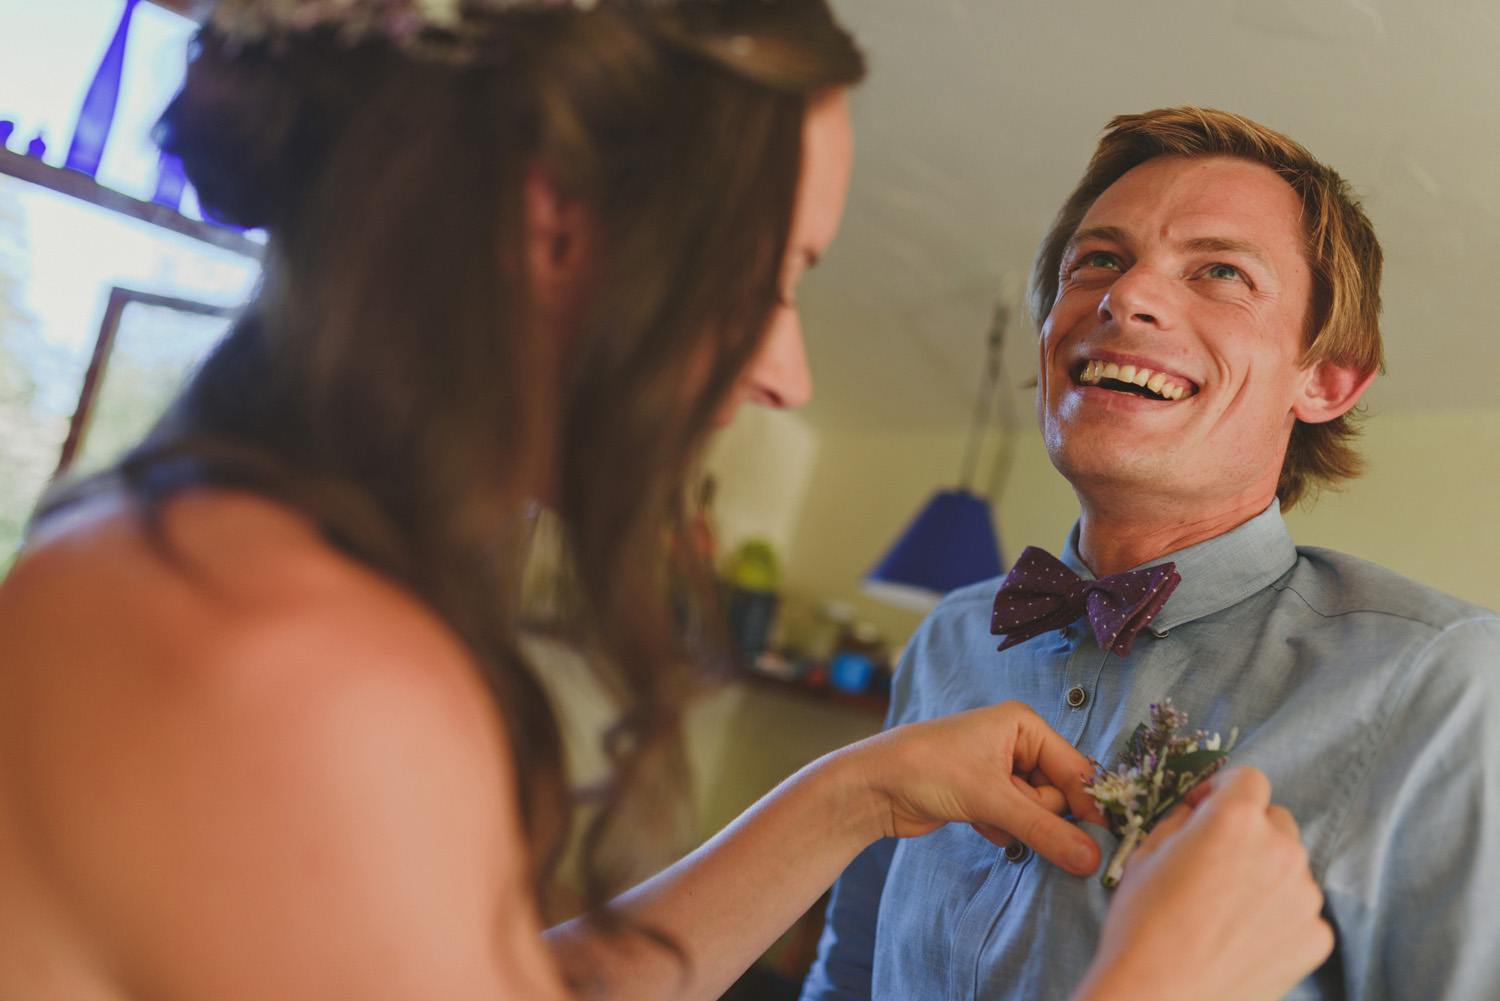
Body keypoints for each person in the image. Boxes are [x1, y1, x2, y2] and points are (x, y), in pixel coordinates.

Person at [0, 4, 1328, 998]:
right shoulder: (292, 670)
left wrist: (859, 792)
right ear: (556, 217)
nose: (792, 369)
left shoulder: (184, 561)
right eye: (775, 274)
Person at [802, 105, 1500, 1001]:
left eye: (1220, 271)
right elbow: (846, 980)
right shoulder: (948, 640)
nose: (1124, 297)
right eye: (1098, 259)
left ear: (1325, 378)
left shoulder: (1448, 685)